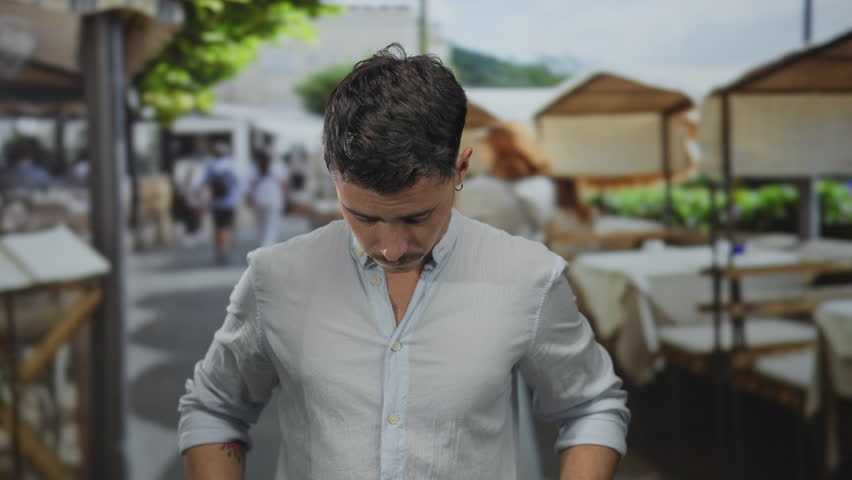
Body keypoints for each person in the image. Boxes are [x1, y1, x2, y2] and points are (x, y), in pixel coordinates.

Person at [178, 44, 629, 480]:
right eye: (364, 216)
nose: (391, 248)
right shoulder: (276, 278)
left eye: (418, 216)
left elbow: (591, 405)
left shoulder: (528, 276)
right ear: (332, 174)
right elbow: (214, 406)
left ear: (460, 170)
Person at [201, 141, 240, 264]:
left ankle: (219, 249)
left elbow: (204, 183)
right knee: (227, 227)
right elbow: (238, 183)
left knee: (218, 227)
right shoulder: (231, 165)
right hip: (229, 201)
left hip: (216, 202)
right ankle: (225, 249)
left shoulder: (211, 166)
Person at [247, 149, 288, 247]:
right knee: (271, 226)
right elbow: (284, 184)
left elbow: (250, 186)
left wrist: (250, 199)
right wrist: (285, 197)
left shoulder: (254, 168)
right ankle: (267, 245)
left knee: (261, 226)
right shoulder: (277, 167)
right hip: (273, 200)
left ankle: (263, 244)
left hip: (259, 199)